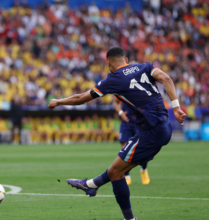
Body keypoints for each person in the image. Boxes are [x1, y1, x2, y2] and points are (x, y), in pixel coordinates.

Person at [48, 47, 186, 220]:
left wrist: (58, 101)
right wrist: (176, 107)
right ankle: (91, 185)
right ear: (126, 59)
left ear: (108, 62)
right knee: (116, 171)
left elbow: (81, 98)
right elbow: (166, 78)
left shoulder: (113, 79)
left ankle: (123, 213)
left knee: (116, 173)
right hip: (163, 126)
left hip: (152, 130)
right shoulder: (145, 66)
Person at [114, 98, 150, 185]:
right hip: (126, 122)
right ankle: (126, 176)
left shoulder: (140, 86)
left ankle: (144, 169)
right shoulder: (120, 87)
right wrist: (120, 113)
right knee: (124, 149)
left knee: (143, 148)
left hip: (139, 122)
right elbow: (115, 102)